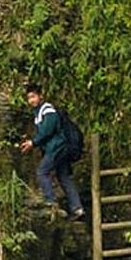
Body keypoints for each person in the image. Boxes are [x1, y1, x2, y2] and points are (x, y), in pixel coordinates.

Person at [19, 83, 84, 221]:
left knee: (42, 172)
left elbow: (47, 131)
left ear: (40, 96)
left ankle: (51, 202)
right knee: (64, 176)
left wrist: (33, 142)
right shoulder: (39, 112)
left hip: (57, 148)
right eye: (29, 98)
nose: (31, 100)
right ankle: (77, 208)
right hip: (60, 148)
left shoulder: (47, 110)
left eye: (33, 97)